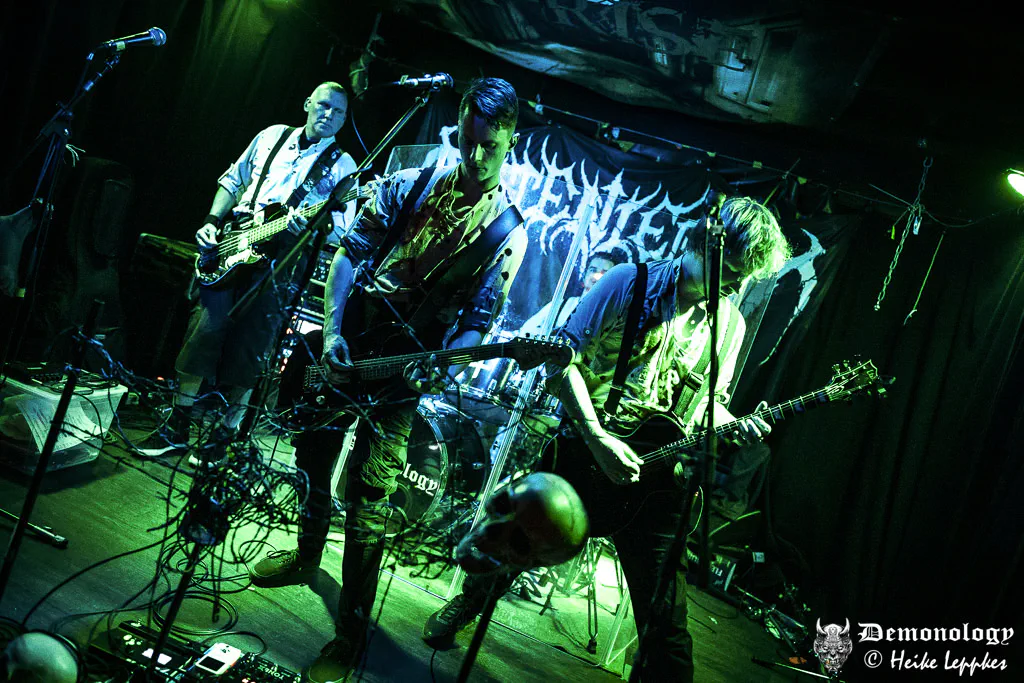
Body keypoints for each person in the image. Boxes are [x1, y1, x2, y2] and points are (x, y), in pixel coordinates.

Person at [423, 196, 791, 682]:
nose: (739, 285)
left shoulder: (731, 326)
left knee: (666, 621)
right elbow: (561, 360)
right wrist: (597, 437)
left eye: (747, 277)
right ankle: (469, 602)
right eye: (736, 271)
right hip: (583, 450)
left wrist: (732, 421)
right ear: (707, 244)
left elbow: (706, 402)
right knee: (512, 546)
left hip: (653, 477)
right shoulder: (626, 283)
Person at [246, 77, 528, 682]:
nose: (477, 156)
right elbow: (350, 253)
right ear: (459, 127)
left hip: (402, 372)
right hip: (350, 340)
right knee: (312, 456)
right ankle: (305, 554)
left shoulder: (507, 233)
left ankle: (351, 632)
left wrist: (443, 363)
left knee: (369, 499)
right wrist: (331, 331)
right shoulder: (412, 182)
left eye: (490, 146)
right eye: (469, 140)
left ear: (510, 141)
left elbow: (477, 326)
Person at [134, 82, 357, 456]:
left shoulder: (344, 165)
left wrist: (313, 228)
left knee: (253, 348)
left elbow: (344, 228)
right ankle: (177, 425)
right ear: (307, 103)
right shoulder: (271, 136)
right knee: (202, 331)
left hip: (283, 258)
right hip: (235, 239)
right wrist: (212, 220)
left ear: (345, 119)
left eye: (338, 112)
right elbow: (233, 180)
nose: (328, 115)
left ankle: (225, 435)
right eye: (323, 105)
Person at [517, 248, 626, 338]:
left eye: (604, 273)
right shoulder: (561, 305)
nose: (596, 276)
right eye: (593, 270)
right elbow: (526, 331)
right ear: (584, 275)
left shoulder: (614, 316)